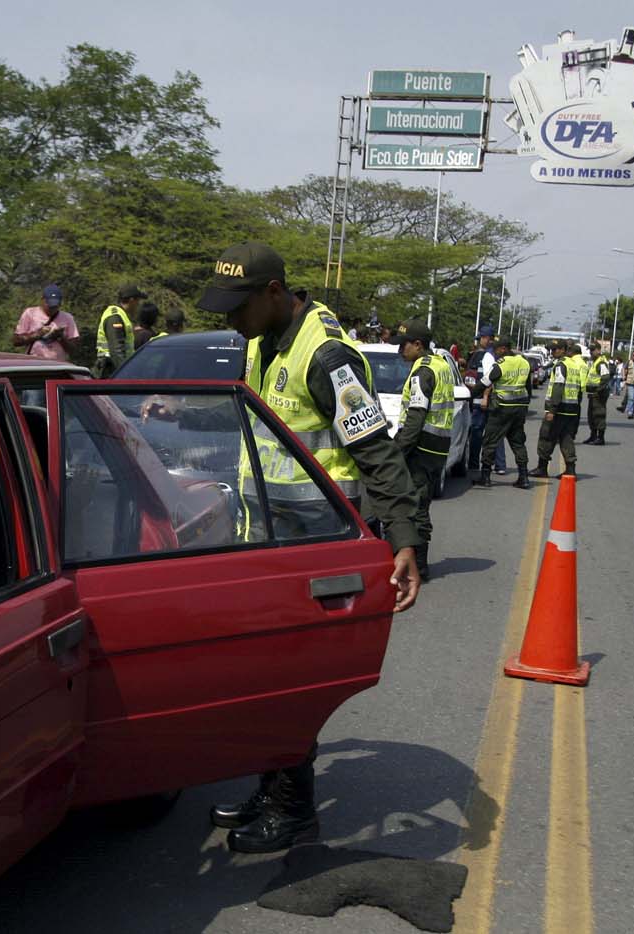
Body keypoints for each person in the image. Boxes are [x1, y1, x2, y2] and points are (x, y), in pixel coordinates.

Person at [196, 241, 421, 855]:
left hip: (315, 548)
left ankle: (292, 810)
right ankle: (272, 790)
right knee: (261, 674)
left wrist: (404, 539)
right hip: (268, 539)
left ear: (273, 294)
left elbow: (374, 449)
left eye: (236, 307)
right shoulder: (261, 341)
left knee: (286, 681)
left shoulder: (325, 357)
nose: (229, 320)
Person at [392, 318, 456, 581]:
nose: (399, 351)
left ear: (418, 345)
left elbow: (415, 418)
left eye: (403, 346)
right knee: (421, 504)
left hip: (420, 448)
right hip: (437, 447)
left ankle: (418, 566)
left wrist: (397, 451)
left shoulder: (423, 372)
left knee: (415, 507)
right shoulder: (441, 365)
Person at [476, 334, 533, 489]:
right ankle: (524, 477)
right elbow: (528, 388)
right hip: (519, 409)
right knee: (518, 443)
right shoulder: (524, 362)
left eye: (496, 349)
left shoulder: (501, 365)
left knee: (490, 441)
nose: (495, 352)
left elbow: (484, 383)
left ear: (503, 349)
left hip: (501, 409)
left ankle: (485, 477)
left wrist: (470, 395)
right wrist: (525, 407)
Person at [530, 341, 581, 478]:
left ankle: (542, 467)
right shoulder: (574, 365)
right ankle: (570, 469)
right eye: (552, 350)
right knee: (566, 439)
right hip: (571, 409)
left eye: (555, 350)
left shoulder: (561, 365)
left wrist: (552, 410)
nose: (552, 352)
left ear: (563, 350)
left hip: (559, 409)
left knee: (546, 436)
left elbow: (558, 387)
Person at [12, 284, 80, 362]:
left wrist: (60, 337)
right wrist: (37, 334)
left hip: (57, 365)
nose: (52, 309)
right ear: (43, 300)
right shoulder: (30, 313)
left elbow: (74, 349)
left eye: (55, 306)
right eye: (49, 305)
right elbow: (16, 341)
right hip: (33, 363)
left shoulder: (67, 318)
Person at [95, 285, 146, 377]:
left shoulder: (122, 315)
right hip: (110, 370)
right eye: (138, 300)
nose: (138, 304)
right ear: (131, 300)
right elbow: (116, 351)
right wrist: (125, 374)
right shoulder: (115, 317)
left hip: (115, 369)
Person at [464, 326, 496, 473]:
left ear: (488, 339)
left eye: (482, 338)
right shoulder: (477, 354)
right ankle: (473, 464)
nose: (479, 341)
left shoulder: (488, 357)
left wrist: (485, 397)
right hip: (471, 402)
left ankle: (477, 466)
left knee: (479, 435)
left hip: (480, 404)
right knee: (473, 434)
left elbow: (490, 379)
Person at [583, 344, 613, 445]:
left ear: (599, 350)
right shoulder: (594, 362)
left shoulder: (601, 363)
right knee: (591, 416)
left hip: (599, 394)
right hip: (593, 394)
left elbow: (605, 377)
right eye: (590, 350)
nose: (591, 352)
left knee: (598, 415)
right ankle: (593, 436)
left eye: (593, 350)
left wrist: (598, 390)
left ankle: (600, 438)